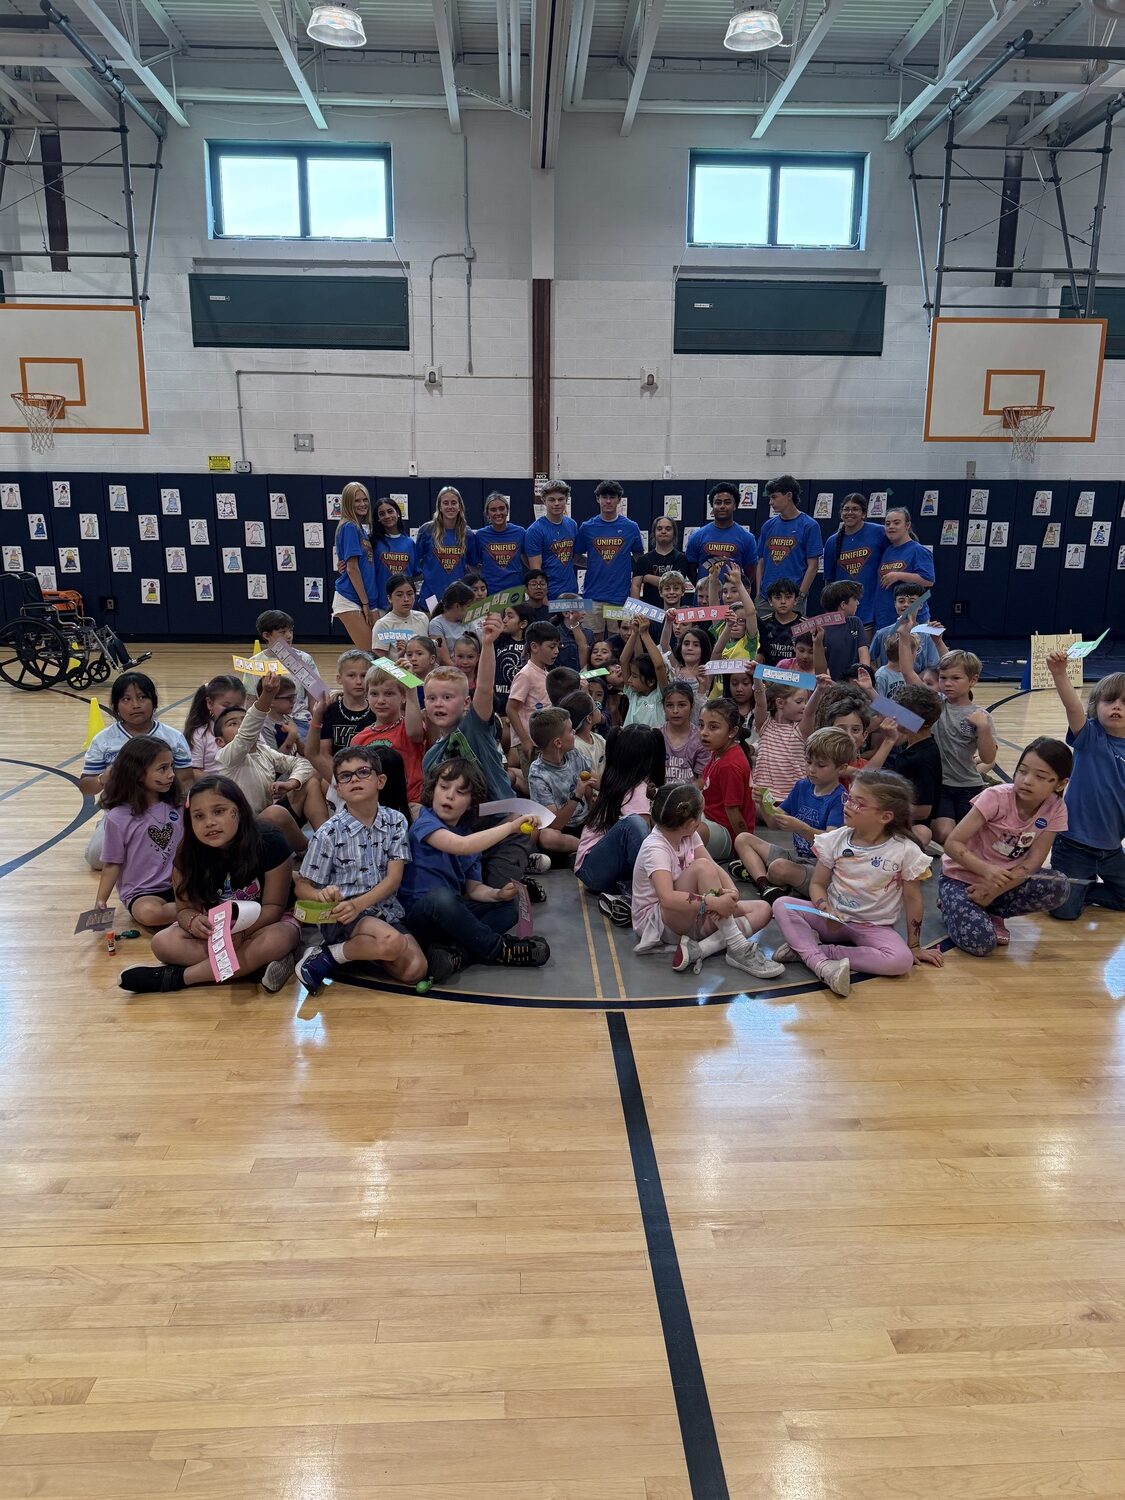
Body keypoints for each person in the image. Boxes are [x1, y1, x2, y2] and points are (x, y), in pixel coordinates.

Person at [118, 773, 300, 994]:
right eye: (199, 816)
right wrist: (193, 921)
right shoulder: (187, 852)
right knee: (163, 943)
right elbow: (184, 909)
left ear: (239, 811)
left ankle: (180, 978)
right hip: (217, 929)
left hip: (265, 923)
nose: (210, 822)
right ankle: (254, 966)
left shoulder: (269, 840)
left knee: (277, 940)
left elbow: (274, 907)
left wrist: (242, 934)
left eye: (219, 811)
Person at [771, 769, 942, 997]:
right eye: (849, 798)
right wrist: (824, 906)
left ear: (885, 817)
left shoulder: (904, 850)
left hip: (873, 927)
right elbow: (818, 884)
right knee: (782, 904)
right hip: (831, 919)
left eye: (859, 803)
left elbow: (913, 900)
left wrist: (913, 947)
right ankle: (821, 965)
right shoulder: (834, 839)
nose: (848, 805)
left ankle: (816, 952)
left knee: (901, 961)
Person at [421, 614, 543, 891]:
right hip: (466, 837)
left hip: (506, 829)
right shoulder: (431, 758)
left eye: (447, 697)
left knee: (500, 896)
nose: (438, 704)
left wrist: (488, 644)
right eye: (431, 698)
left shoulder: (473, 726)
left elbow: (485, 688)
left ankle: (519, 874)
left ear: (465, 703)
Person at [295, 745, 427, 993]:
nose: (354, 779)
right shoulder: (328, 832)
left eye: (363, 772)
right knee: (391, 942)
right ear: (338, 789)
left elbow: (393, 879)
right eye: (345, 776)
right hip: (343, 914)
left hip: (383, 911)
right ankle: (333, 954)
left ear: (380, 780)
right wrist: (320, 895)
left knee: (415, 971)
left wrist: (361, 904)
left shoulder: (395, 821)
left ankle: (340, 954)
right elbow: (302, 886)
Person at [400, 759, 548, 980]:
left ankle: (457, 955)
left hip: (452, 916)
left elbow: (474, 888)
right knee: (442, 898)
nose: (449, 795)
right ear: (433, 790)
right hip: (420, 916)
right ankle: (498, 950)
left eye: (460, 792)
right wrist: (511, 826)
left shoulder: (467, 833)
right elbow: (461, 846)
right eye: (444, 787)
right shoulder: (425, 822)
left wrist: (497, 894)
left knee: (509, 906)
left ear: (471, 802)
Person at [633, 783, 782, 980]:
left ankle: (700, 950)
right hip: (660, 923)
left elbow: (714, 866)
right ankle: (737, 946)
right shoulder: (655, 848)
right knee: (701, 867)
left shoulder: (689, 834)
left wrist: (731, 891)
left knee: (763, 909)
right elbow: (667, 898)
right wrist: (713, 902)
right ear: (691, 823)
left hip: (691, 912)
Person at [939, 737, 1072, 955]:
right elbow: (952, 844)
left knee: (1058, 885)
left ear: (1060, 784)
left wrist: (994, 889)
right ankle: (951, 904)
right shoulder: (995, 797)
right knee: (981, 944)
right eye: (1022, 771)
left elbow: (1033, 863)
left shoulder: (1056, 808)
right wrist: (986, 871)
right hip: (961, 879)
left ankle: (993, 909)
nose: (1027, 780)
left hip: (1004, 884)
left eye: (1040, 777)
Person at [82, 670, 192, 869]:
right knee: (96, 859)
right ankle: (115, 834)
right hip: (120, 810)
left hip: (164, 809)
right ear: (115, 706)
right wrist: (102, 779)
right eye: (126, 699)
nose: (136, 705)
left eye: (142, 697)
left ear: (154, 701)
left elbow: (186, 780)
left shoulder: (173, 737)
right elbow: (86, 786)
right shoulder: (103, 740)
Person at [1044, 657, 1125, 919]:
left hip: (1111, 848)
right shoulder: (1090, 736)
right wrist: (1059, 674)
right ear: (1095, 706)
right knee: (1064, 913)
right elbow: (1072, 708)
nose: (1117, 707)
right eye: (1109, 701)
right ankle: (1059, 884)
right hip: (1074, 845)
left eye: (1124, 703)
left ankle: (1081, 888)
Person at [898, 628, 995, 843]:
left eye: (955, 678)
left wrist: (984, 729)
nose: (947, 683)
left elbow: (988, 758)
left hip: (968, 785)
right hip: (940, 787)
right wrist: (905, 639)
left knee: (974, 837)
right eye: (943, 678)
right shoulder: (935, 704)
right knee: (944, 833)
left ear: (973, 680)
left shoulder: (980, 716)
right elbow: (907, 672)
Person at [733, 726, 851, 900]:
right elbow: (774, 822)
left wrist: (802, 828)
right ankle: (765, 885)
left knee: (779, 868)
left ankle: (762, 874)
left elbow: (831, 844)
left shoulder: (840, 798)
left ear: (841, 768)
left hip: (822, 869)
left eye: (821, 765)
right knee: (743, 839)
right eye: (808, 762)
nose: (811, 769)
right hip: (797, 858)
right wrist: (764, 801)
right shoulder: (803, 786)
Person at [211, 673, 324, 849]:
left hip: (269, 821)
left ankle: (327, 838)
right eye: (233, 724)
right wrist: (267, 694)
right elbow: (246, 734)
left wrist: (291, 783)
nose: (241, 726)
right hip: (245, 829)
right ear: (220, 741)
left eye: (243, 721)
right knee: (274, 812)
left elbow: (303, 763)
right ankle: (310, 851)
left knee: (311, 781)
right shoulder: (227, 757)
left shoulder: (264, 751)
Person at [575, 724, 664, 925]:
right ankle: (646, 897)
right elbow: (644, 846)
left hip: (596, 869)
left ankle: (628, 893)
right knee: (634, 826)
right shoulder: (637, 789)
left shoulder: (619, 780)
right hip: (595, 869)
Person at [92, 736, 184, 930]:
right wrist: (101, 900)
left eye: (171, 767)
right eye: (162, 769)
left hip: (183, 884)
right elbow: (111, 864)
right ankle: (196, 909)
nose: (171, 774)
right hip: (143, 892)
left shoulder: (178, 805)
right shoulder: (117, 817)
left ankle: (191, 908)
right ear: (138, 773)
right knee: (149, 914)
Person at [351, 662, 425, 807]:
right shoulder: (359, 739)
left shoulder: (407, 727)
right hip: (375, 806)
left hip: (411, 803)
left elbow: (416, 733)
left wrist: (410, 683)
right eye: (374, 694)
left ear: (403, 697)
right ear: (366, 696)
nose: (381, 701)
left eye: (389, 693)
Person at [575, 481, 643, 635]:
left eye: (612, 497)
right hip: (592, 596)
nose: (608, 501)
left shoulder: (631, 527)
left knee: (619, 641)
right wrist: (594, 563)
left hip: (620, 597)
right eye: (604, 497)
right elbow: (575, 557)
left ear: (619, 500)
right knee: (592, 643)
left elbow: (640, 558)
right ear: (597, 499)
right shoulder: (587, 527)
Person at [528, 706, 596, 859]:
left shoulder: (573, 754)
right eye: (571, 730)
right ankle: (585, 848)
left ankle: (583, 849)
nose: (574, 733)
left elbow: (596, 780)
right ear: (558, 743)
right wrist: (577, 795)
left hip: (585, 821)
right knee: (547, 837)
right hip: (563, 829)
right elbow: (555, 824)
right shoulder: (538, 774)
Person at [883, 682, 944, 847]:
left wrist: (882, 809)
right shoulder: (910, 741)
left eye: (900, 714)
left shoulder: (922, 758)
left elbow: (924, 811)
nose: (893, 716)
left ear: (918, 722)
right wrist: (867, 690)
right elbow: (882, 706)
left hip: (911, 823)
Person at [699, 697, 756, 861]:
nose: (704, 732)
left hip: (728, 835)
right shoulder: (719, 752)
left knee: (692, 831)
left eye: (713, 727)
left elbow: (734, 813)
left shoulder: (729, 765)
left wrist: (744, 850)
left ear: (731, 731)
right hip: (709, 820)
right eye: (701, 725)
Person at [821, 493, 887, 631]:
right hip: (844, 612)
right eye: (846, 509)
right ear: (840, 513)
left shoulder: (879, 532)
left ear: (863, 513)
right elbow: (829, 582)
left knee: (868, 651)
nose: (850, 513)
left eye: (855, 509)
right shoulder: (832, 541)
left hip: (872, 609)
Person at [305, 649, 375, 774]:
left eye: (363, 675)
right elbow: (325, 754)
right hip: (337, 772)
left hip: (370, 772)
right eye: (351, 675)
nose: (358, 681)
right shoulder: (331, 711)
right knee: (319, 783)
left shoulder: (377, 710)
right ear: (339, 679)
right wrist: (343, 775)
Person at [757, 476, 823, 606]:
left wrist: (801, 594)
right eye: (769, 498)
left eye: (774, 497)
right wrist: (759, 592)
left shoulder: (809, 525)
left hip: (793, 597)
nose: (770, 502)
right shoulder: (768, 526)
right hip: (766, 597)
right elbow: (761, 561)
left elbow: (813, 565)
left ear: (788, 495)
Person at [507, 621, 561, 779]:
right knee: (536, 787)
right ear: (534, 647)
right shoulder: (525, 675)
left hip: (544, 741)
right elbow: (511, 709)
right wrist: (524, 740)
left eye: (558, 646)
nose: (556, 651)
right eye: (552, 647)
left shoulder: (545, 673)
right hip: (531, 743)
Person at [685, 484, 757, 603]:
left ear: (735, 505)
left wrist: (735, 590)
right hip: (703, 604)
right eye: (718, 502)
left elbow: (750, 573)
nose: (722, 506)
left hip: (733, 603)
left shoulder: (747, 538)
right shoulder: (697, 536)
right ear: (712, 506)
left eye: (727, 502)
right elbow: (690, 569)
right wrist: (704, 588)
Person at [332, 481, 379, 651]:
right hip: (351, 598)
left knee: (378, 654)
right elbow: (352, 569)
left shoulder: (360, 528)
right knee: (371, 655)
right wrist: (365, 603)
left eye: (365, 499)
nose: (362, 504)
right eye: (357, 501)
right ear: (347, 503)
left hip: (363, 598)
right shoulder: (350, 527)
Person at [416, 486, 480, 606]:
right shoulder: (427, 530)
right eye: (445, 503)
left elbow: (473, 566)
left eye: (453, 503)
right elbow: (416, 562)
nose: (450, 506)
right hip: (431, 597)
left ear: (459, 506)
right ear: (440, 506)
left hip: (458, 597)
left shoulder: (468, 534)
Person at [873, 508, 935, 631]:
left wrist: (899, 575)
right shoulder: (887, 550)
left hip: (911, 618)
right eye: (887, 523)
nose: (891, 526)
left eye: (896, 523)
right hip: (885, 617)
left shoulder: (918, 550)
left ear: (907, 525)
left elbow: (928, 580)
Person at [752, 678, 809, 804]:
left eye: (806, 701)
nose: (804, 706)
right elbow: (760, 703)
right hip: (763, 795)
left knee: (782, 818)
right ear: (780, 703)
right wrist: (756, 677)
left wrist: (821, 690)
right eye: (799, 701)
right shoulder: (765, 725)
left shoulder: (800, 729)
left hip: (792, 798)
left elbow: (810, 713)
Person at [183, 674, 246, 780]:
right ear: (210, 703)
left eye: (237, 706)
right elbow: (193, 771)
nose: (231, 710)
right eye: (225, 706)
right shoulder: (200, 734)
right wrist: (222, 783)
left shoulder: (249, 730)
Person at [870, 583, 945, 671]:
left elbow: (932, 668)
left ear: (921, 605)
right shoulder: (882, 634)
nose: (906, 605)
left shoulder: (928, 635)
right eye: (901, 601)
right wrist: (881, 675)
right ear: (895, 604)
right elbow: (868, 660)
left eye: (912, 601)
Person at [525, 479, 579, 598]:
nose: (556, 503)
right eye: (552, 500)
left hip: (571, 591)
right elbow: (536, 570)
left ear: (566, 500)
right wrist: (543, 599)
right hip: (550, 594)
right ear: (544, 501)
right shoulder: (535, 530)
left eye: (560, 499)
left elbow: (574, 557)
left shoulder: (572, 525)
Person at [632, 515, 695, 608]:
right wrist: (634, 612)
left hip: (675, 612)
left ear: (674, 533)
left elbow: (671, 584)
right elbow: (635, 586)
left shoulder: (682, 559)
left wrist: (647, 577)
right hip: (649, 614)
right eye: (659, 528)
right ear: (654, 533)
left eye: (668, 529)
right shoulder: (643, 560)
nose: (663, 531)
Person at [618, 615, 670, 726]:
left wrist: (644, 634)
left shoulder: (660, 696)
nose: (629, 679)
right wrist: (634, 633)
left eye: (635, 676)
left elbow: (659, 666)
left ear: (651, 681)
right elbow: (623, 661)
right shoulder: (632, 694)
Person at [475, 491, 527, 594]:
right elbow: (473, 564)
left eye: (502, 508)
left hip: (515, 590)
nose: (498, 513)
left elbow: (528, 560)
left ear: (507, 510)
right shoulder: (480, 535)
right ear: (487, 513)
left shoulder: (520, 532)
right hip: (490, 591)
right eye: (493, 510)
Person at [816, 581, 870, 680]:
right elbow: (820, 670)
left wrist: (863, 675)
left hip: (856, 682)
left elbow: (863, 652)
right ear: (843, 605)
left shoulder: (856, 622)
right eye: (855, 599)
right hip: (831, 685)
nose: (858, 603)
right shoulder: (819, 629)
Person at [372, 497, 417, 608]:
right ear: (378, 519)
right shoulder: (373, 542)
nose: (387, 516)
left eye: (390, 511)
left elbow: (416, 574)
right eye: (382, 514)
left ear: (398, 513)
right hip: (380, 605)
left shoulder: (410, 543)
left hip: (405, 605)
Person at [662, 681, 709, 783]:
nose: (675, 711)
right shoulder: (656, 736)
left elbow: (701, 780)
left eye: (682, 705)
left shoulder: (701, 738)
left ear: (691, 706)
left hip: (689, 797)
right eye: (669, 705)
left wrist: (681, 796)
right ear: (663, 707)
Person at [371, 575, 429, 657]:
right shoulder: (383, 625)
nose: (406, 599)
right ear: (389, 598)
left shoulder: (422, 618)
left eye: (410, 594)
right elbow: (380, 662)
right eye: (399, 595)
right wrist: (399, 658)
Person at [428, 581, 477, 666]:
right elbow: (444, 660)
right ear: (457, 606)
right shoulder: (436, 624)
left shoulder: (469, 621)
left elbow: (477, 648)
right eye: (469, 606)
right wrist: (463, 673)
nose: (471, 610)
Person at [561, 689, 606, 777]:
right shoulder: (576, 748)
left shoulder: (599, 739)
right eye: (596, 706)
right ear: (589, 718)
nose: (599, 708)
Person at [756, 579, 802, 666]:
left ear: (796, 600)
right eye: (778, 598)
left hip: (797, 675)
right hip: (768, 675)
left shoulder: (806, 624)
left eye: (788, 597)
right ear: (770, 601)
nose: (783, 602)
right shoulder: (762, 623)